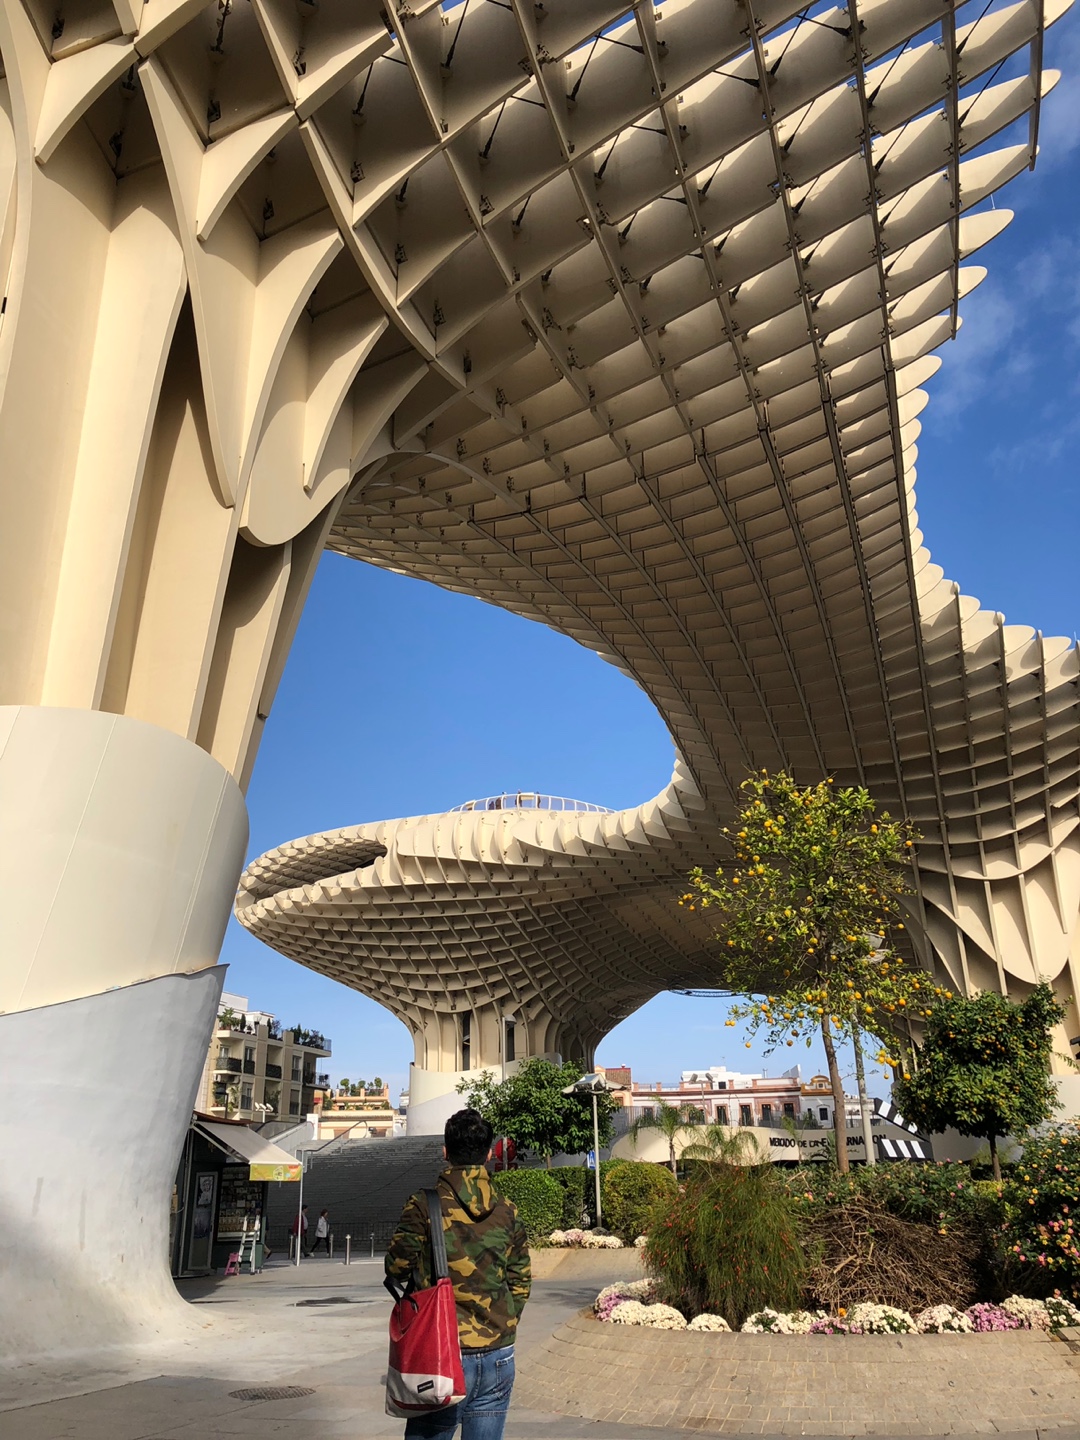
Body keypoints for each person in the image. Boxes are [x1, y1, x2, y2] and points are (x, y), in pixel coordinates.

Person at [386, 1109, 531, 1440]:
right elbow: (521, 1279)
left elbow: (396, 1268)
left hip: (440, 1350)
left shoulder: (423, 1205)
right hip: (497, 1351)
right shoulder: (508, 1210)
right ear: (490, 1153)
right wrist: (502, 1322)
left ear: (445, 1152)